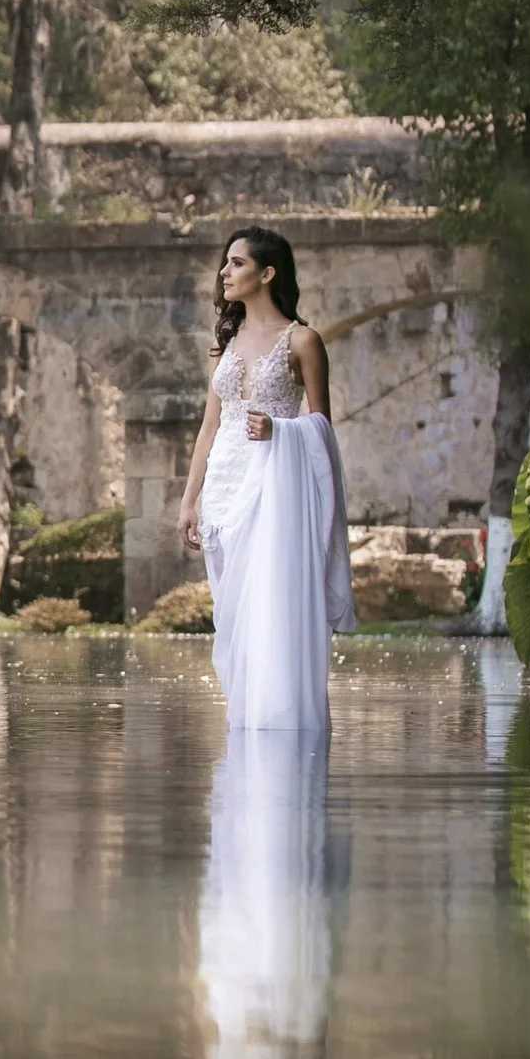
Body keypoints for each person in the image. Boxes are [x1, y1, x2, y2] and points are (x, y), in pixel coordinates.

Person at [176, 227, 355, 730]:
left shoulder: (303, 341)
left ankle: (283, 727)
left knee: (270, 606)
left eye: (237, 263)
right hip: (225, 490)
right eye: (226, 263)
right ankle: (248, 730)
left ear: (266, 273)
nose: (225, 272)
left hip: (276, 491)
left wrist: (281, 429)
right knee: (234, 616)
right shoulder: (226, 344)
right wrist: (190, 500)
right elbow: (209, 427)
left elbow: (321, 428)